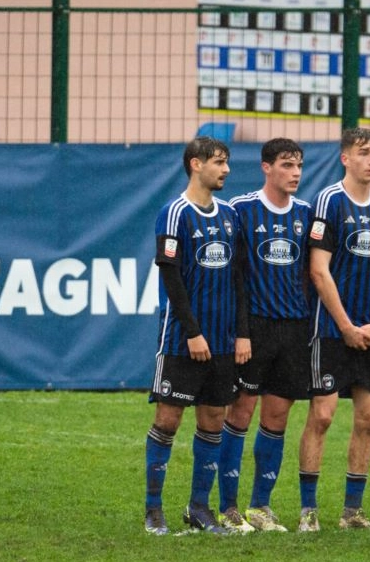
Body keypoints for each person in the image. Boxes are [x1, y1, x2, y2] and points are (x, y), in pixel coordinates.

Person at [297, 127, 370, 531]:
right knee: (322, 416)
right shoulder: (329, 201)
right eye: (363, 153)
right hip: (331, 331)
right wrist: (345, 325)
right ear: (346, 158)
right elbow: (319, 271)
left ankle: (352, 511)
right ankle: (309, 511)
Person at [143, 136, 247, 536]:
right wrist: (192, 332)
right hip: (182, 340)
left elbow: (238, 277)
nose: (226, 170)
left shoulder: (229, 216)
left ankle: (199, 509)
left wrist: (241, 333)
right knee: (168, 420)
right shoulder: (174, 213)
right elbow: (171, 276)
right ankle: (154, 510)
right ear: (195, 165)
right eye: (219, 162)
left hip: (223, 341)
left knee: (213, 420)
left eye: (227, 163)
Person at [216, 138, 312, 533]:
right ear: (266, 167)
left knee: (277, 416)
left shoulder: (306, 214)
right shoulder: (241, 210)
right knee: (240, 411)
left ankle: (260, 506)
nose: (295, 173)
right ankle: (228, 507)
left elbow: (312, 271)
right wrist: (240, 332)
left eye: (299, 166)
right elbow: (233, 275)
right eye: (287, 165)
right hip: (254, 328)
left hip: (294, 328)